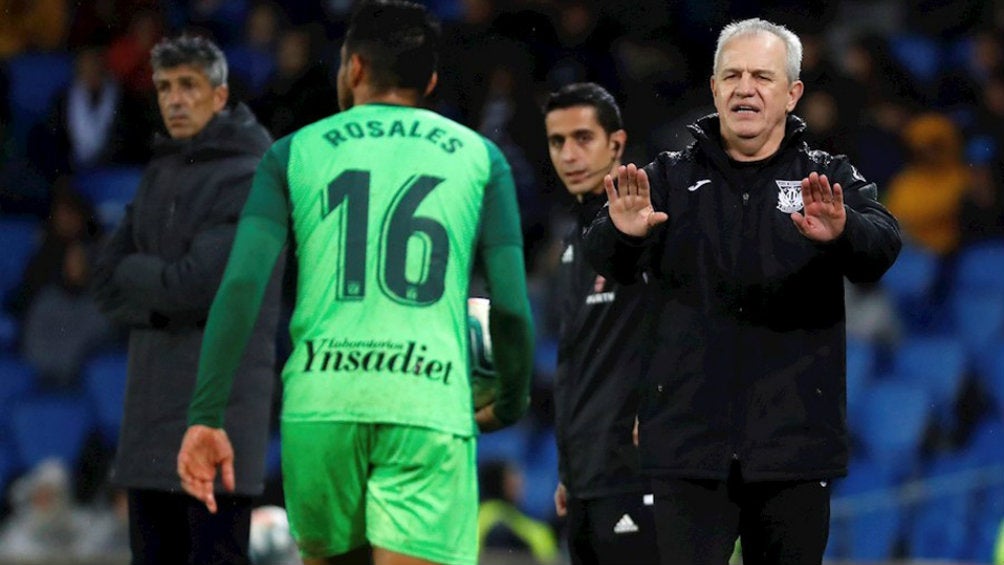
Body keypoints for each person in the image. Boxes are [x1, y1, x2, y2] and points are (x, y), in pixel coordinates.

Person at [176, 2, 535, 565]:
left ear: (356, 68)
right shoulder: (481, 156)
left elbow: (242, 287)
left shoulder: (291, 153)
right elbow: (511, 307)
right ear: (431, 82)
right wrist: (510, 401)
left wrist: (206, 415)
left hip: (321, 401)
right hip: (427, 401)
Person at [583, 18, 902, 564]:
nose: (744, 88)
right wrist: (620, 232)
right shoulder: (668, 177)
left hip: (794, 450)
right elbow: (604, 259)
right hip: (687, 450)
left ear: (792, 94)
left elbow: (882, 249)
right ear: (713, 88)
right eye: (731, 75)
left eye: (762, 76)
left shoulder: (825, 179)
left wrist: (843, 230)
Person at [91, 34, 279, 565]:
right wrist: (163, 300)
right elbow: (105, 282)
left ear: (219, 96)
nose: (174, 99)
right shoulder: (159, 172)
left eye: (189, 86)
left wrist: (151, 285)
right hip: (148, 428)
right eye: (165, 87)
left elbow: (196, 285)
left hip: (219, 424)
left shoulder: (250, 176)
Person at [542, 82, 658, 564]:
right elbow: (578, 361)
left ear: (616, 143)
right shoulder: (572, 242)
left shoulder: (650, 227)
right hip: (587, 478)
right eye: (557, 142)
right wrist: (570, 469)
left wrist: (661, 402)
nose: (569, 154)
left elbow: (694, 323)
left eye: (583, 138)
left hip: (638, 472)